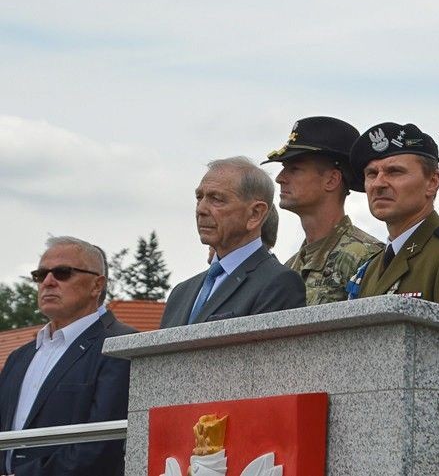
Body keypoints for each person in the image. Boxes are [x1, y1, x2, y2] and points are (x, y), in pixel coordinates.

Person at [0, 237, 135, 476]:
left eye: (62, 273)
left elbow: (101, 447)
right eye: (40, 275)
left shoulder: (121, 347)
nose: (48, 282)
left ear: (97, 285)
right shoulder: (18, 358)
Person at [348, 122, 439, 305]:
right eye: (371, 174)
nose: (378, 183)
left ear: (432, 182)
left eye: (394, 172)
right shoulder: (371, 268)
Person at [160, 157, 305, 327]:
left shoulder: (278, 284)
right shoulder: (181, 293)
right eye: (199, 198)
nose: (201, 209)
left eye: (216, 199)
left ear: (255, 214)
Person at [264, 116, 384, 304]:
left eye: (294, 169)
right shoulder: (289, 268)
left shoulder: (367, 258)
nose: (280, 178)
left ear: (332, 180)